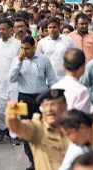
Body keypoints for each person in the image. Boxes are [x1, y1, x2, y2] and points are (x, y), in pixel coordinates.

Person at [9, 35, 57, 169]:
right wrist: (19, 61)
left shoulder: (44, 59)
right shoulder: (16, 61)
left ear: (34, 47)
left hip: (41, 98)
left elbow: (52, 79)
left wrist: (52, 97)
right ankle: (33, 162)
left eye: (27, 48)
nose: (25, 51)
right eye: (22, 48)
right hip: (23, 99)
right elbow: (11, 79)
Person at [6, 89, 69, 170]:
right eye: (45, 106)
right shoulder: (37, 128)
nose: (49, 109)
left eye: (54, 105)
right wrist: (11, 117)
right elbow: (18, 127)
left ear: (65, 107)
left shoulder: (75, 127)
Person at [52, 48, 91, 113]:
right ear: (83, 67)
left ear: (63, 66)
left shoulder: (55, 87)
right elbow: (80, 118)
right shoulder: (83, 91)